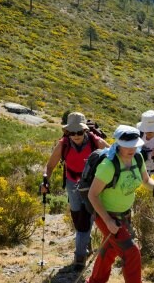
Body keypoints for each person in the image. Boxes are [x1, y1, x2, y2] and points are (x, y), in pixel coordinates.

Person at [86, 125, 154, 283]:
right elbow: (92, 195)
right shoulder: (108, 166)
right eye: (127, 145)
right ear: (118, 144)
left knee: (109, 249)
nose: (131, 149)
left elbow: (146, 180)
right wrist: (107, 220)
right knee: (132, 252)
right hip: (107, 215)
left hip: (124, 214)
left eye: (134, 144)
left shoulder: (138, 158)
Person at [41, 112, 109, 270]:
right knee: (77, 216)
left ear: (85, 130)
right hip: (72, 182)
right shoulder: (63, 144)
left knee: (85, 218)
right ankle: (86, 243)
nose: (76, 135)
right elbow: (50, 166)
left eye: (79, 132)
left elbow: (113, 155)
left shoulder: (95, 141)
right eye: (72, 132)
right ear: (67, 132)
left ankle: (79, 257)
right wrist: (45, 180)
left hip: (91, 185)